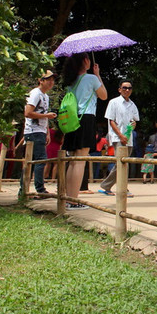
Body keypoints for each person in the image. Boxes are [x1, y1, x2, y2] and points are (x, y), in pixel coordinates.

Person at [61, 52, 107, 210]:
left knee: (73, 160)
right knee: (80, 160)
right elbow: (103, 96)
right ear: (85, 61)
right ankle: (74, 201)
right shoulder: (91, 79)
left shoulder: (70, 81)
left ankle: (68, 198)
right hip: (86, 119)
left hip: (73, 119)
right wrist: (97, 75)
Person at [99, 80, 139, 196]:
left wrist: (132, 127)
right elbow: (111, 121)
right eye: (125, 88)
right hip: (118, 137)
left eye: (129, 88)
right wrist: (120, 135)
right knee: (121, 163)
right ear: (119, 89)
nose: (127, 90)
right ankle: (122, 188)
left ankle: (106, 186)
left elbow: (134, 120)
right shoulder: (114, 102)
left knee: (124, 163)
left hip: (128, 137)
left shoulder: (132, 104)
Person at [21, 70, 57, 196]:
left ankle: (24, 190)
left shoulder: (45, 96)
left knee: (34, 161)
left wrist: (47, 132)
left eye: (52, 80)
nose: (51, 82)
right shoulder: (35, 93)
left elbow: (44, 117)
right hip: (32, 131)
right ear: (41, 81)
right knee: (40, 160)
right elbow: (28, 112)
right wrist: (47, 115)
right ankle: (39, 189)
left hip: (40, 131)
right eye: (48, 79)